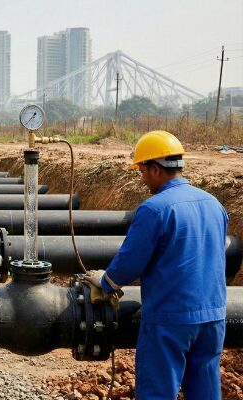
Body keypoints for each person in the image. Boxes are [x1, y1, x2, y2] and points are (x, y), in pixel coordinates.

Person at [86, 130, 228, 399]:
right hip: (214, 316)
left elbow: (130, 262)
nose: (142, 179)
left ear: (155, 168)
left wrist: (105, 281)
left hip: (170, 319)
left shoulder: (155, 209)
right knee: (206, 391)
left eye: (142, 171)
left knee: (157, 392)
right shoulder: (214, 204)